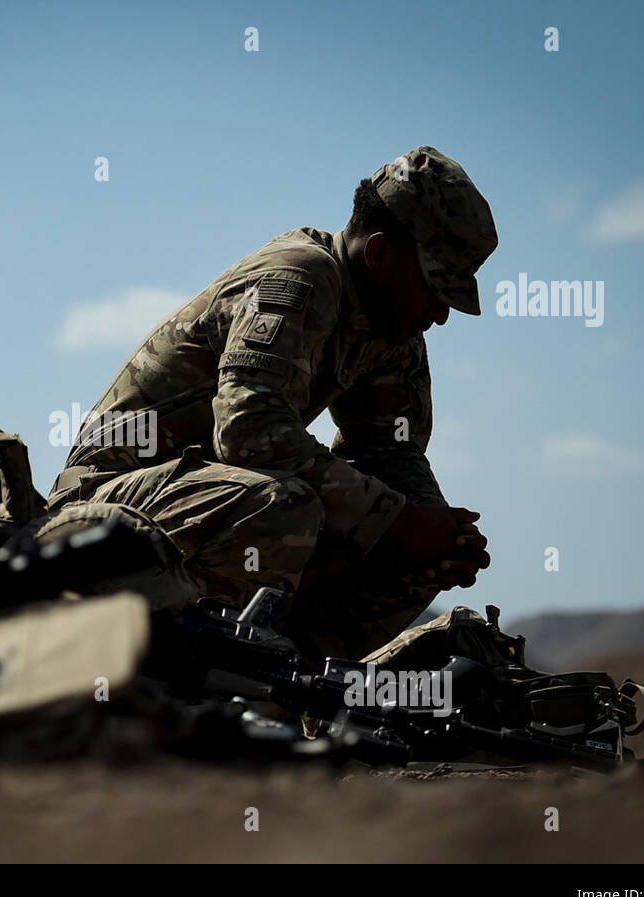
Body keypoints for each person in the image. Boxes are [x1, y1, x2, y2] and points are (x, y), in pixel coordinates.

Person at [45, 146, 498, 659]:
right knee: (286, 505)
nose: (441, 314)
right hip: (106, 510)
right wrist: (398, 520)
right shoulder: (299, 278)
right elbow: (247, 431)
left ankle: (286, 688)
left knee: (406, 550)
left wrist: (438, 533)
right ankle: (205, 677)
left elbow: (392, 454)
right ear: (379, 254)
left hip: (215, 506)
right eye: (435, 288)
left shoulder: (394, 331)